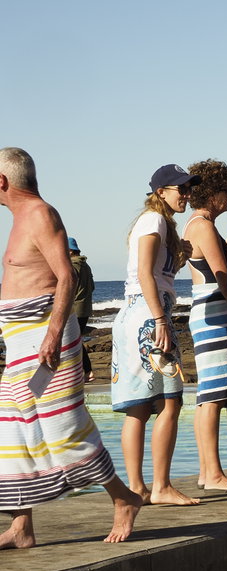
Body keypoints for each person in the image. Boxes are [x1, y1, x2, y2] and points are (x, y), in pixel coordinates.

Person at [0, 147, 141, 548]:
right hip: (18, 342)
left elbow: (65, 278)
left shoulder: (41, 215)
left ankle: (125, 497)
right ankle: (21, 526)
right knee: (13, 433)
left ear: (2, 181)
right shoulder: (19, 220)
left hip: (46, 337)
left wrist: (52, 334)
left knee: (65, 429)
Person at [111, 164, 200, 506]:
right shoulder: (154, 221)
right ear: (161, 192)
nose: (187, 195)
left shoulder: (154, 223)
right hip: (149, 315)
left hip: (135, 313)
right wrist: (161, 319)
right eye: (182, 190)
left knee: (140, 408)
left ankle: (138, 488)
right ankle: (160, 486)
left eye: (188, 189)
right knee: (169, 402)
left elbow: (151, 272)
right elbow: (147, 274)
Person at [183, 159, 227, 493]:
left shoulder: (202, 224)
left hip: (210, 312)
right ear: (214, 192)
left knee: (210, 396)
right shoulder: (203, 226)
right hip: (214, 313)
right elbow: (224, 281)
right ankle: (214, 473)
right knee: (212, 396)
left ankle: (208, 472)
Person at [68, 237, 95, 382]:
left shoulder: (71, 266)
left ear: (70, 251)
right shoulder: (86, 265)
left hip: (74, 309)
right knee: (76, 340)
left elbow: (67, 288)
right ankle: (86, 371)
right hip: (85, 309)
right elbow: (93, 287)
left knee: (71, 341)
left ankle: (86, 371)